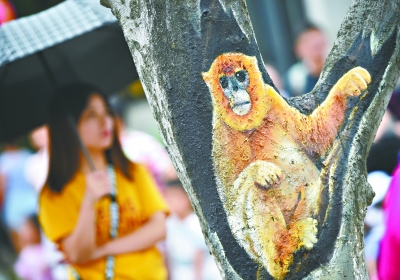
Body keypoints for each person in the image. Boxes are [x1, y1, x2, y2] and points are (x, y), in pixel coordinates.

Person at [39, 84, 169, 279]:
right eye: (91, 115)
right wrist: (88, 202)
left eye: (106, 112)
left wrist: (103, 249)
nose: (105, 121)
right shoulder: (55, 192)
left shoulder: (133, 170)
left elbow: (159, 229)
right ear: (68, 126)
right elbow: (77, 254)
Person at [164, 179, 221, 280]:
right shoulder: (170, 223)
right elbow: (169, 252)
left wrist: (197, 277)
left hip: (198, 273)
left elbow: (199, 253)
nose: (171, 201)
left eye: (175, 197)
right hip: (179, 271)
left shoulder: (195, 222)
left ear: (188, 198)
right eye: (168, 197)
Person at [285, 25, 328, 97]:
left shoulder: (340, 69)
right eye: (308, 41)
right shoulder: (295, 79)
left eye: (316, 38)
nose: (314, 43)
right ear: (297, 50)